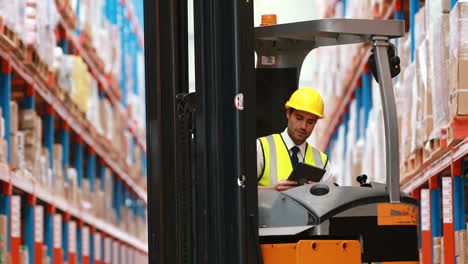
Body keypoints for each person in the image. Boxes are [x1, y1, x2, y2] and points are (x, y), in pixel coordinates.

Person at [257, 88, 332, 191]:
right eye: (299, 118)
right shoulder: (261, 147)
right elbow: (241, 191)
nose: (303, 126)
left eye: (310, 122)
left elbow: (329, 201)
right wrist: (271, 190)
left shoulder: (322, 161)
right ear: (288, 114)